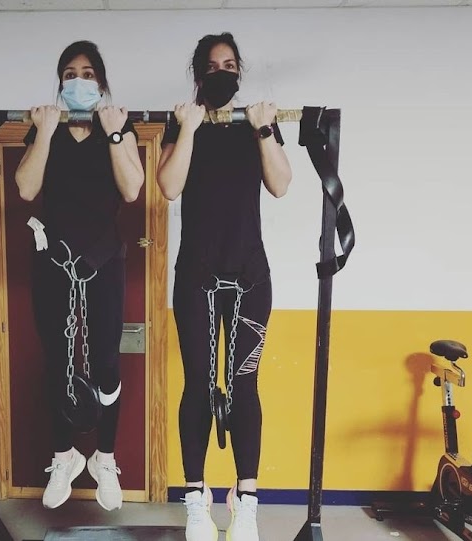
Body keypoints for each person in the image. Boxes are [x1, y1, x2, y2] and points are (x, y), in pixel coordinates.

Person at [156, 32, 292, 541]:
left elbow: (281, 184)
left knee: (244, 387)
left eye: (230, 65)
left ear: (239, 72)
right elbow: (169, 186)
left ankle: (246, 502)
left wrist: (264, 129)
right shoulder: (181, 122)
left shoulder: (255, 124)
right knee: (197, 384)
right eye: (213, 66)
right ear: (199, 75)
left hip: (250, 276)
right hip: (197, 276)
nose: (222, 72)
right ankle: (197, 501)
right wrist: (189, 128)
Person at [14, 40, 144, 512]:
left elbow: (132, 189)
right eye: (70, 73)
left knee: (106, 364)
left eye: (88, 74)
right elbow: (26, 188)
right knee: (58, 362)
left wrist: (115, 134)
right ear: (60, 82)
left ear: (101, 82)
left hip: (104, 262)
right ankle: (64, 455)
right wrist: (45, 132)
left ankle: (104, 458)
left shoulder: (118, 126)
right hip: (55, 262)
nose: (78, 80)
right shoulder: (44, 128)